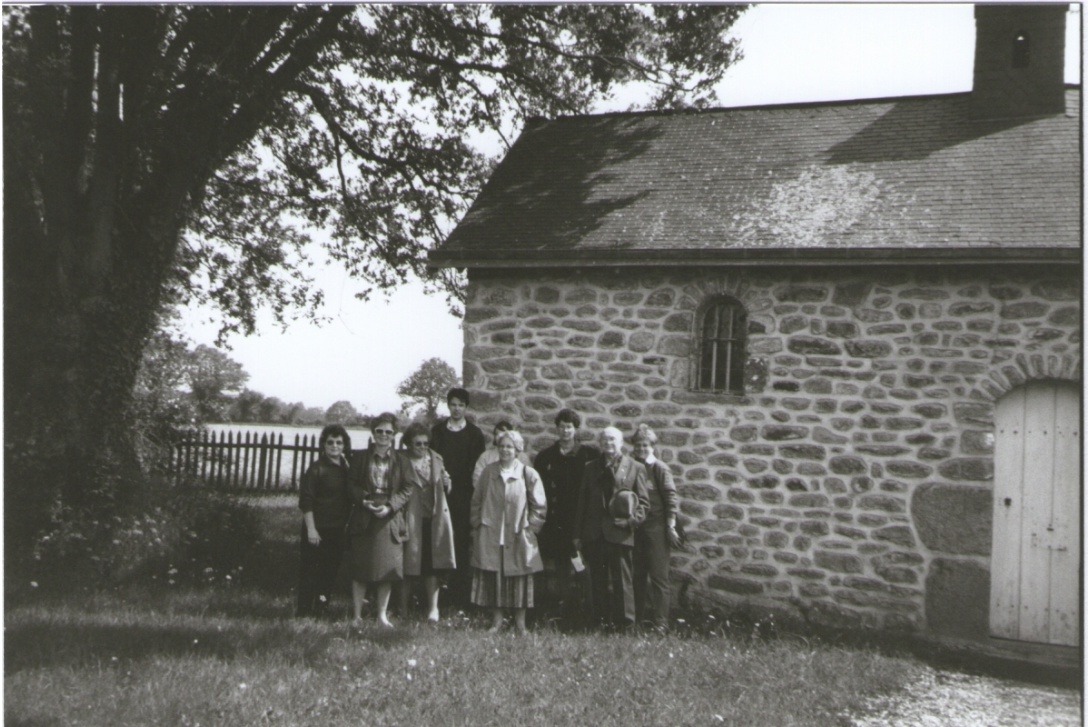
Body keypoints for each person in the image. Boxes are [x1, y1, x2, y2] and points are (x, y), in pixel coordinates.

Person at [572, 425, 649, 630]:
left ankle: (626, 626)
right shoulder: (590, 467)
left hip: (620, 533)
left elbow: (643, 503)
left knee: (622, 582)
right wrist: (577, 535)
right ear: (600, 443)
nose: (608, 443)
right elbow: (582, 502)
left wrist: (631, 522)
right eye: (605, 440)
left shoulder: (635, 467)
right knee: (597, 580)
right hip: (594, 533)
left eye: (613, 440)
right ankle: (600, 622)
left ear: (621, 443)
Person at [470, 429, 547, 633]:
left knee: (519, 578)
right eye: (502, 446)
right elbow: (476, 501)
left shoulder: (527, 473)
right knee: (495, 579)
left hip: (518, 534)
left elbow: (539, 506)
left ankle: (521, 624)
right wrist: (478, 524)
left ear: (518, 450)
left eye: (510, 447)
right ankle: (497, 621)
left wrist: (531, 529)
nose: (505, 450)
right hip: (492, 534)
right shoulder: (489, 472)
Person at [532, 408, 599, 622]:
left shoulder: (589, 456)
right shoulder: (546, 457)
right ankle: (565, 607)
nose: (565, 431)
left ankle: (587, 610)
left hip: (579, 521)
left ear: (576, 429)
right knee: (560, 565)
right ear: (557, 428)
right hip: (556, 521)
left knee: (582, 565)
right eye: (561, 427)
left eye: (569, 427)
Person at [348, 413, 412, 627]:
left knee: (387, 569)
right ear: (373, 432)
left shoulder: (402, 461)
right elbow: (351, 485)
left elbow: (407, 489)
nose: (384, 435)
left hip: (389, 518)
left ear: (394, 435)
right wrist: (364, 500)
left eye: (388, 432)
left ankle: (381, 616)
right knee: (361, 568)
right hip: (365, 516)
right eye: (379, 431)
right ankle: (357, 616)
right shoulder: (359, 458)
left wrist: (390, 507)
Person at [430, 388, 487, 608]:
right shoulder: (438, 432)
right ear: (448, 405)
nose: (457, 409)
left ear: (466, 407)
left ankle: (459, 594)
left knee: (462, 542)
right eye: (453, 404)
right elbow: (433, 460)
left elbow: (477, 468)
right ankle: (438, 592)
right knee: (440, 540)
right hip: (441, 494)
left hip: (464, 496)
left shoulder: (474, 434)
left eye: (461, 405)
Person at [398, 422, 456, 623]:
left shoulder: (436, 459)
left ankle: (433, 610)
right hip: (410, 517)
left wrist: (447, 484)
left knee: (433, 565)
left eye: (425, 443)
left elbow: (444, 486)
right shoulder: (401, 460)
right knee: (408, 564)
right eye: (417, 444)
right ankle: (403, 609)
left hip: (433, 518)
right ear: (408, 444)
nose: (422, 448)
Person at [296, 424, 353, 618]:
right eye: (330, 442)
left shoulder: (346, 467)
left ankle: (321, 610)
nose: (335, 446)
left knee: (329, 573)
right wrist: (311, 530)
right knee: (310, 573)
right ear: (323, 444)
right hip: (317, 529)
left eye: (339, 442)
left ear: (345, 445)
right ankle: (303, 613)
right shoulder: (316, 469)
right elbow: (306, 501)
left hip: (337, 529)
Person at [631, 424, 682, 632]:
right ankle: (635, 620)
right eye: (638, 445)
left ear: (653, 446)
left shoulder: (659, 468)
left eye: (646, 445)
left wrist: (670, 526)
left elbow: (671, 497)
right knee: (637, 576)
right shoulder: (632, 466)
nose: (642, 449)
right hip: (637, 528)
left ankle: (661, 623)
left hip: (657, 529)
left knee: (659, 578)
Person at [472, 419, 530, 486]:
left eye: (503, 434)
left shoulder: (522, 457)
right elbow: (477, 479)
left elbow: (527, 480)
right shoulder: (486, 456)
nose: (498, 437)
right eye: (496, 434)